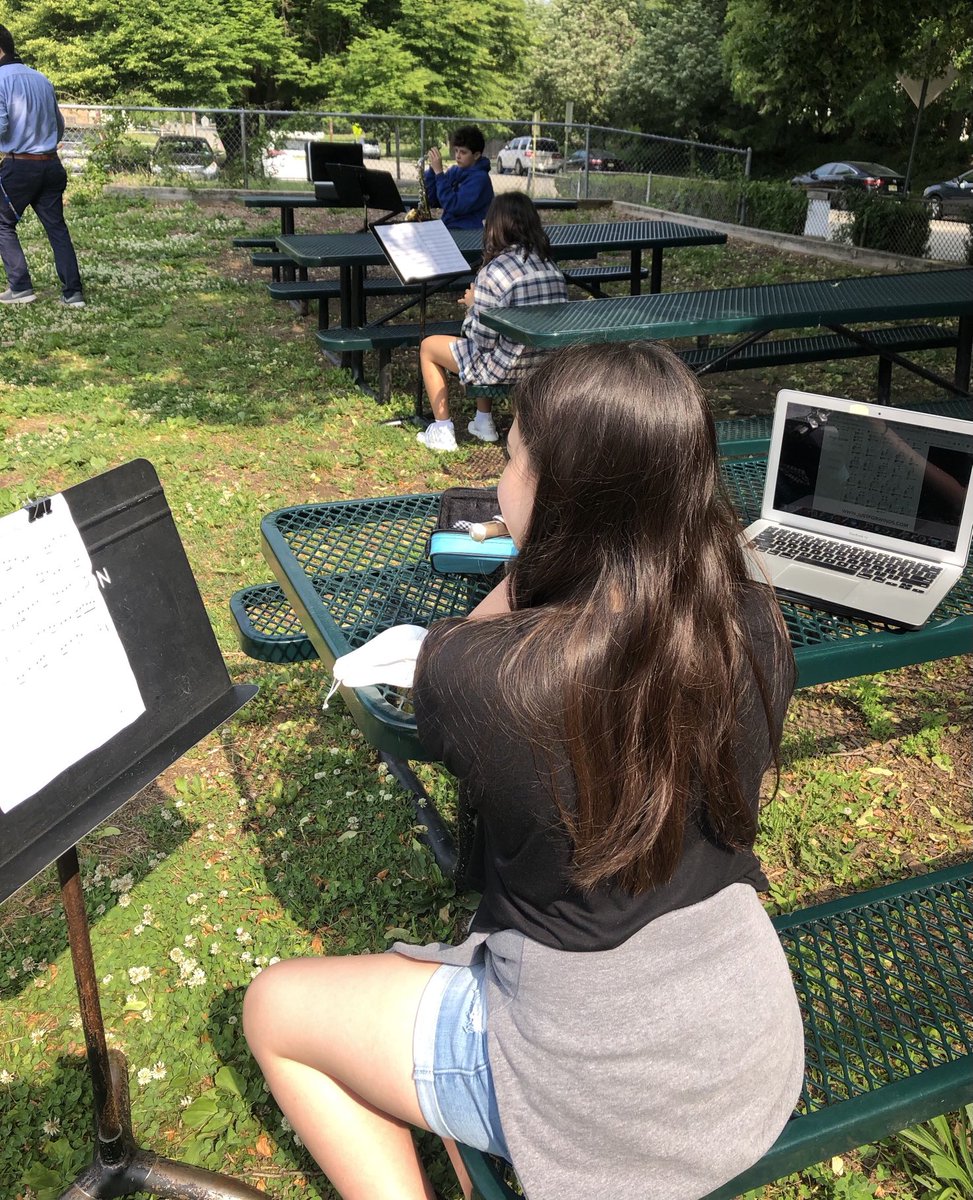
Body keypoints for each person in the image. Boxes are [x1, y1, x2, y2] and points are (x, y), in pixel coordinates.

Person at [243, 341, 806, 1200]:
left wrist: (528, 552)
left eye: (510, 458)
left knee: (274, 1010)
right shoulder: (753, 624)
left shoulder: (487, 679)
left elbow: (468, 642)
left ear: (562, 497)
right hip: (748, 1056)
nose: (499, 479)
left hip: (599, 1104)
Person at [416, 192, 567, 452]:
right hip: (546, 363)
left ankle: (442, 430)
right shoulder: (550, 266)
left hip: (507, 367)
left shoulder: (493, 272)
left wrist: (474, 307)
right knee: (485, 347)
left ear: (496, 226)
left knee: (429, 346)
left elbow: (482, 341)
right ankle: (483, 421)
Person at [0, 25, 84, 307]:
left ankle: (21, 286)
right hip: (50, 165)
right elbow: (58, 126)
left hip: (20, 167)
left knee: (1, 223)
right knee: (56, 227)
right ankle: (73, 293)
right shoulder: (41, 79)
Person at [422, 125, 493, 230]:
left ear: (476, 155)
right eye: (456, 150)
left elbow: (454, 206)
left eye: (463, 152)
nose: (458, 156)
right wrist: (432, 172)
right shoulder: (455, 170)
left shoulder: (480, 179)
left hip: (468, 231)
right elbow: (434, 200)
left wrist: (439, 173)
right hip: (450, 226)